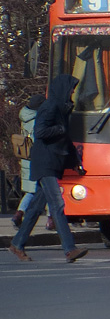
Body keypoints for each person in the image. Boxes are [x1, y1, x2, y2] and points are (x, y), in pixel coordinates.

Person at [7, 74, 89, 263]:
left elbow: (66, 139)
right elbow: (40, 132)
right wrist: (60, 129)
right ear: (62, 89)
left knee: (35, 208)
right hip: (45, 163)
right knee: (57, 205)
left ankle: (17, 245)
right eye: (71, 89)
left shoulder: (62, 108)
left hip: (53, 162)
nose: (72, 92)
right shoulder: (50, 106)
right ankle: (70, 249)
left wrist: (75, 162)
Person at [11, 93, 46, 228]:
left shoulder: (25, 117)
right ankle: (51, 219)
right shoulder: (38, 119)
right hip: (37, 158)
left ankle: (19, 213)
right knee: (49, 188)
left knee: (31, 191)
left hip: (26, 160)